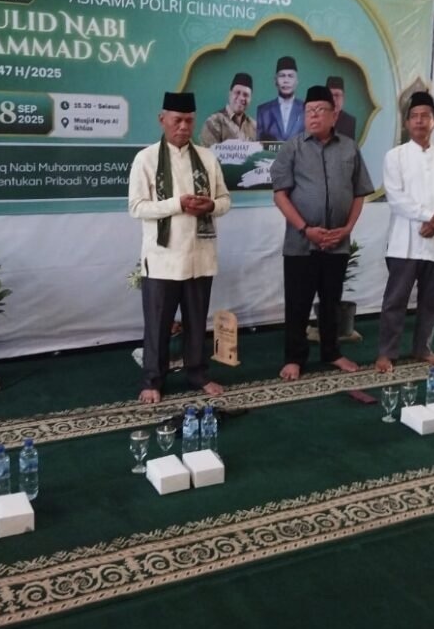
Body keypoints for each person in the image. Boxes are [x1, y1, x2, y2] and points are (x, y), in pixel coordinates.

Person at [128, 91, 231, 403]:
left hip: (200, 256)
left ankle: (198, 374)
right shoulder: (146, 159)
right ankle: (152, 380)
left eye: (189, 120)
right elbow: (136, 207)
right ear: (162, 120)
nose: (184, 127)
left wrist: (210, 205)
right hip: (163, 259)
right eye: (177, 120)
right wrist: (178, 204)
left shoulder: (207, 158)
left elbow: (225, 201)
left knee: (197, 322)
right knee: (157, 324)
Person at [271, 85, 374, 381]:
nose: (313, 116)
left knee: (332, 301)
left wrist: (348, 229)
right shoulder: (293, 147)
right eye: (309, 111)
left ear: (334, 115)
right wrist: (306, 229)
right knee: (298, 303)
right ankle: (294, 358)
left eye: (320, 110)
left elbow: (359, 193)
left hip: (337, 242)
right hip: (301, 243)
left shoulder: (349, 148)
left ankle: (332, 352)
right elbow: (280, 195)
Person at [375, 90, 434, 373]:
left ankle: (422, 348)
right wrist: (429, 217)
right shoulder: (395, 157)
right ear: (406, 123)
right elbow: (396, 198)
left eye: (425, 116)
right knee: (395, 302)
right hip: (404, 242)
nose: (419, 121)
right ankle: (387, 353)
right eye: (414, 116)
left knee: (431, 302)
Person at [199, 72, 256, 146]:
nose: (241, 98)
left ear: (250, 99)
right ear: (230, 94)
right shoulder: (213, 122)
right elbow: (207, 152)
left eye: (246, 95)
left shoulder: (254, 126)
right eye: (237, 92)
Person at [256, 56, 304, 141]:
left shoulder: (306, 109)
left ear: (297, 81)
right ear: (275, 80)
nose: (286, 80)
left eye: (290, 76)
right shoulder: (263, 111)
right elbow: (258, 143)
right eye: (282, 76)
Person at [326, 75, 356, 140]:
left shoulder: (350, 121)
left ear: (343, 98)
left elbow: (350, 145)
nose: (333, 99)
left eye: (337, 95)